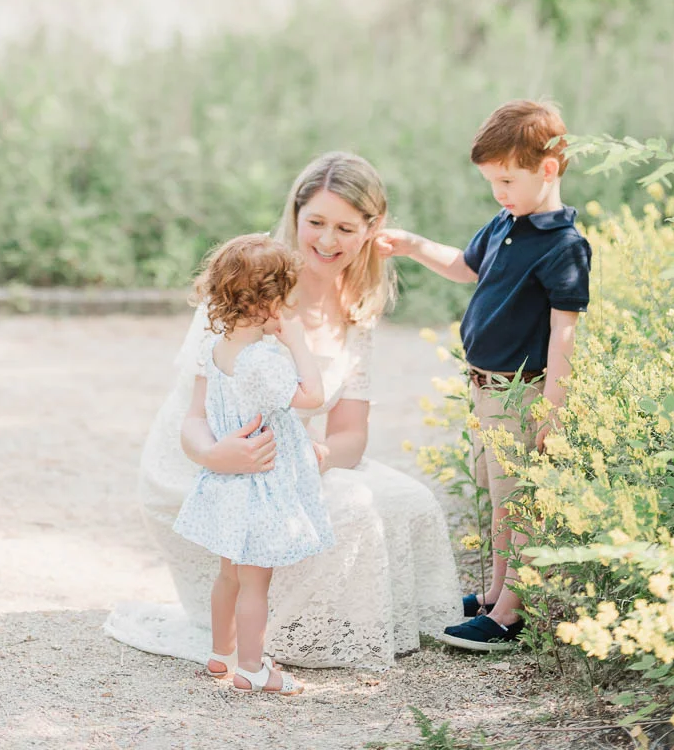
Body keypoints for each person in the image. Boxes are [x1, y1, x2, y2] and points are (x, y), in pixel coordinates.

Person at [104, 151, 462, 671]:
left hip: (287, 453)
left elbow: (351, 436)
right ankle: (269, 641)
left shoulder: (357, 310)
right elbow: (193, 412)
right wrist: (216, 454)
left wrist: (316, 456)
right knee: (355, 508)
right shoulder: (249, 285)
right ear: (295, 215)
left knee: (410, 499)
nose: (327, 240)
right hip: (207, 456)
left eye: (345, 227)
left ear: (370, 230)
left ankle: (376, 622)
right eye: (315, 221)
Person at [379, 99, 591, 653]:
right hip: (485, 387)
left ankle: (511, 615)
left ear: (548, 168)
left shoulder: (564, 245)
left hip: (522, 393)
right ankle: (495, 592)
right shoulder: (506, 223)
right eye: (491, 181)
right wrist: (411, 245)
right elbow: (464, 267)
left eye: (507, 179)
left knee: (520, 501)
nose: (499, 192)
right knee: (501, 497)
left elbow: (564, 332)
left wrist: (554, 406)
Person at [174, 233, 332, 696]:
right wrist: (298, 343)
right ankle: (252, 668)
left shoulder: (216, 349)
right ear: (269, 303)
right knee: (255, 585)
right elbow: (313, 397)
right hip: (259, 487)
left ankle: (221, 655)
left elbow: (201, 411)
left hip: (228, 481)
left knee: (228, 575)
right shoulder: (263, 358)